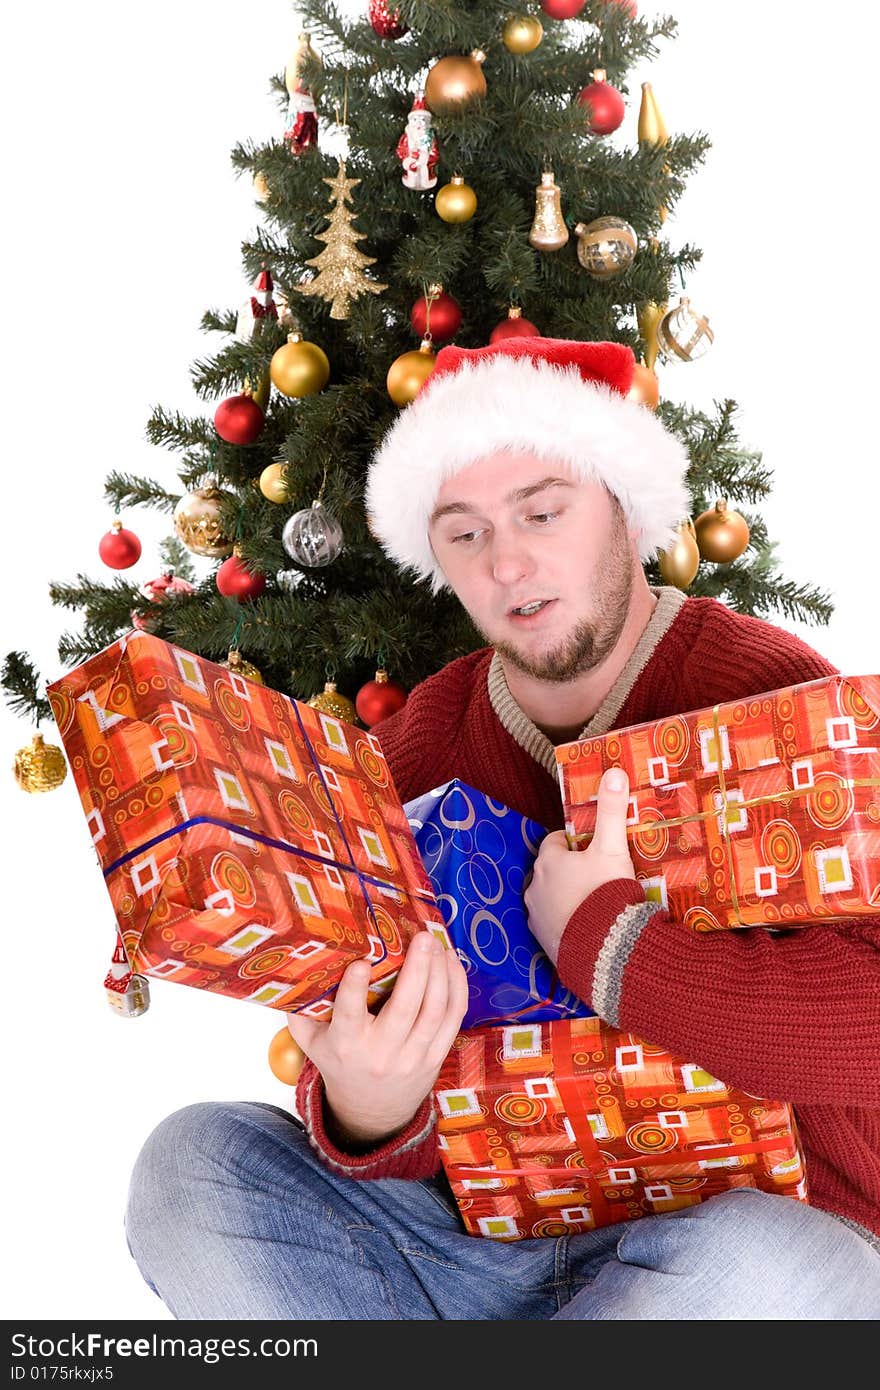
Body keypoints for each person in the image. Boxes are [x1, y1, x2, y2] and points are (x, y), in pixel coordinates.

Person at [125, 337, 880, 1319]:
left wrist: (613, 946)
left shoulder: (769, 690)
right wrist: (370, 1108)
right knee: (194, 1171)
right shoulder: (423, 742)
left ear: (619, 498)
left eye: (542, 510)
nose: (508, 560)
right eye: (463, 531)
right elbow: (389, 1078)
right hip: (484, 1258)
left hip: (750, 1251)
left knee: (748, 1266)